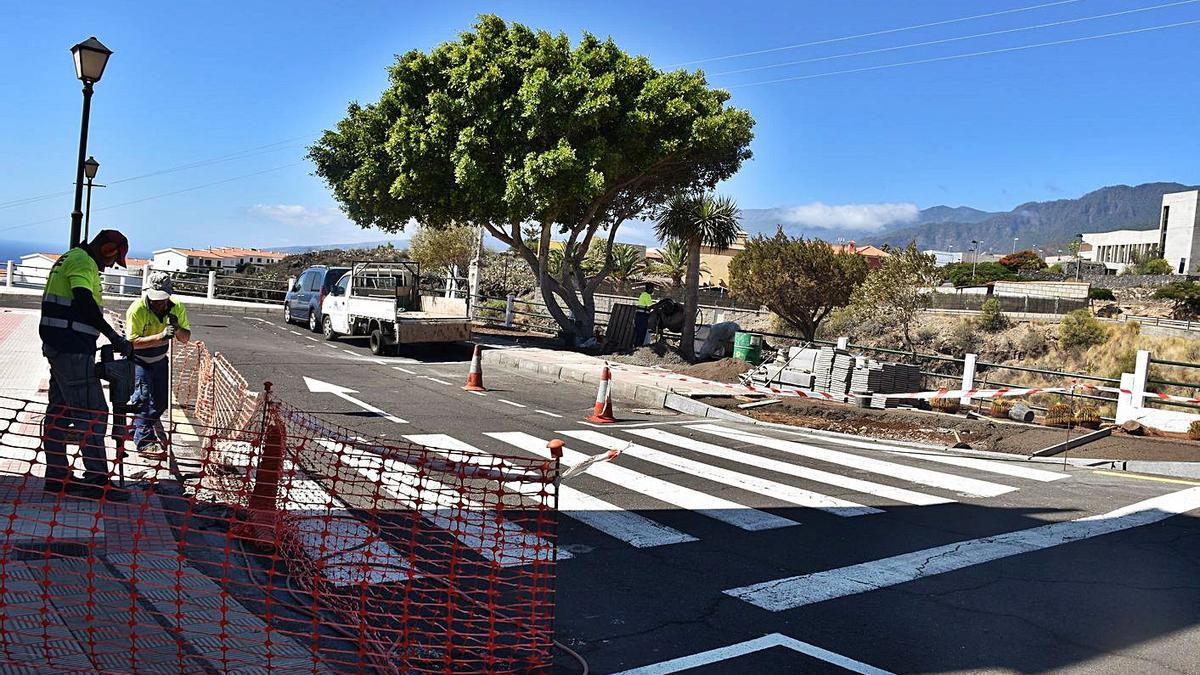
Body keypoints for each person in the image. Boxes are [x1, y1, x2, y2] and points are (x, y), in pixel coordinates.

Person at [40, 229, 134, 500]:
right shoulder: (83, 262)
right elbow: (83, 302)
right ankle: (96, 481)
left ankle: (56, 477)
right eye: (114, 257)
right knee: (93, 412)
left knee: (59, 413)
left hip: (59, 346)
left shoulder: (70, 257)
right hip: (72, 349)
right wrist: (114, 336)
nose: (112, 265)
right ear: (106, 248)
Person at [126, 272, 191, 461]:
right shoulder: (137, 309)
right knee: (143, 400)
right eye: (155, 299)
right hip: (139, 360)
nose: (158, 303)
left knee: (161, 402)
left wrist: (177, 328)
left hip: (160, 360)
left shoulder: (177, 307)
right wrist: (160, 337)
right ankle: (145, 441)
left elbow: (185, 339)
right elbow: (132, 342)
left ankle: (137, 427)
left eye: (162, 299)